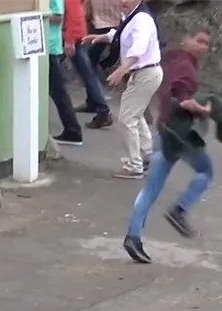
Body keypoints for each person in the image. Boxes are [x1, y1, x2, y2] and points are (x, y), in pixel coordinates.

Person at [122, 28, 213, 264]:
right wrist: (205, 110)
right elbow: (184, 101)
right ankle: (180, 210)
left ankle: (133, 236)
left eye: (206, 43)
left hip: (163, 131)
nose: (203, 47)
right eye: (199, 41)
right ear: (186, 39)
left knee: (151, 188)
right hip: (180, 134)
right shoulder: (186, 67)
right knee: (205, 171)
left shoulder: (171, 58)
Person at [83, 0, 163, 179]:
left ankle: (134, 165)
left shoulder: (141, 18)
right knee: (136, 114)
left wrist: (121, 69)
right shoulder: (133, 16)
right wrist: (99, 37)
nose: (122, 1)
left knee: (127, 118)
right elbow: (119, 34)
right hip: (145, 73)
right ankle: (148, 153)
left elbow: (138, 48)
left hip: (145, 72)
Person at [71, 0, 118, 129]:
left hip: (109, 26)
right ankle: (94, 102)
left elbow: (85, 9)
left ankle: (102, 109)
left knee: (87, 66)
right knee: (89, 63)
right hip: (105, 24)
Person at [49, 0, 84, 146]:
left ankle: (73, 131)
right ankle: (72, 130)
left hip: (51, 47)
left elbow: (58, 17)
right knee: (57, 91)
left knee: (59, 92)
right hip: (47, 46)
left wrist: (38, 15)